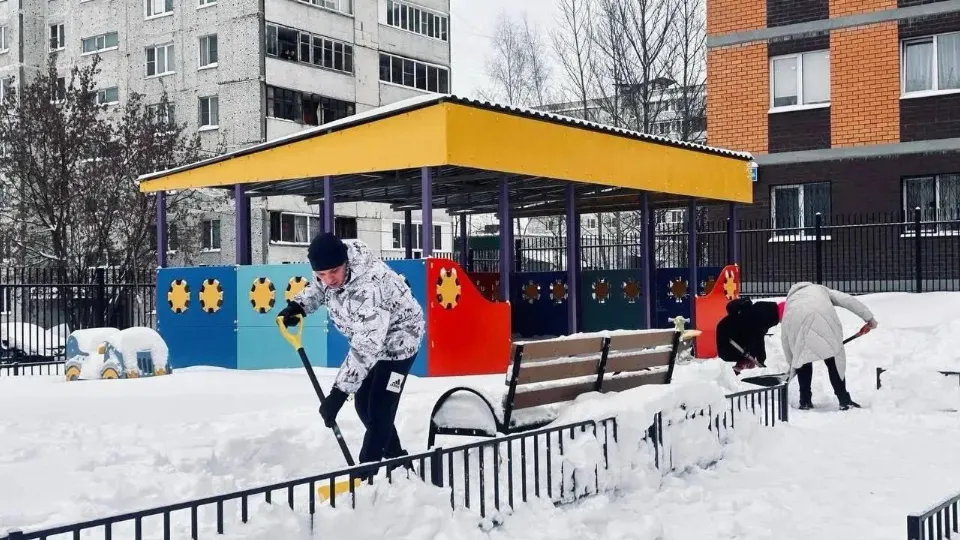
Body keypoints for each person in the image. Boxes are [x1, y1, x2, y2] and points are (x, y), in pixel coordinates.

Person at [278, 232, 425, 466]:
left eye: (333, 272)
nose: (329, 279)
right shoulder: (331, 268)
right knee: (363, 403)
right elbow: (319, 289)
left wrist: (338, 394)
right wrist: (299, 306)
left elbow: (366, 346)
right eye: (321, 274)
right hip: (371, 341)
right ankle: (397, 461)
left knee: (379, 408)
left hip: (400, 342)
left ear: (345, 262)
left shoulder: (369, 287)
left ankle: (367, 473)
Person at [780, 282, 878, 411]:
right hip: (825, 320)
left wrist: (792, 363)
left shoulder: (791, 302)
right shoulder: (821, 289)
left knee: (802, 359)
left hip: (797, 321)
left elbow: (785, 337)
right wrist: (869, 319)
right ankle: (844, 400)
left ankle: (805, 401)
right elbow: (848, 300)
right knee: (833, 360)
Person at [715, 297, 782, 374]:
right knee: (750, 354)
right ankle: (734, 376)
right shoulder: (762, 317)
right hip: (728, 343)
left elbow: (755, 337)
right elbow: (758, 338)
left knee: (751, 353)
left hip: (732, 340)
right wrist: (761, 360)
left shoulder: (758, 311)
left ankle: (738, 374)